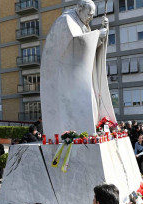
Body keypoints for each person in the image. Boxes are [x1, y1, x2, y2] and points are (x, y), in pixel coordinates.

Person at [40, 0, 115, 138]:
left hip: (79, 75)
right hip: (66, 79)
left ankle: (90, 132)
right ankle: (77, 134)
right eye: (89, 14)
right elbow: (74, 45)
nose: (91, 18)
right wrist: (98, 34)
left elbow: (88, 49)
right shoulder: (65, 21)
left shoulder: (82, 23)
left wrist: (102, 34)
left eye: (93, 15)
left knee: (92, 103)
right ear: (79, 9)